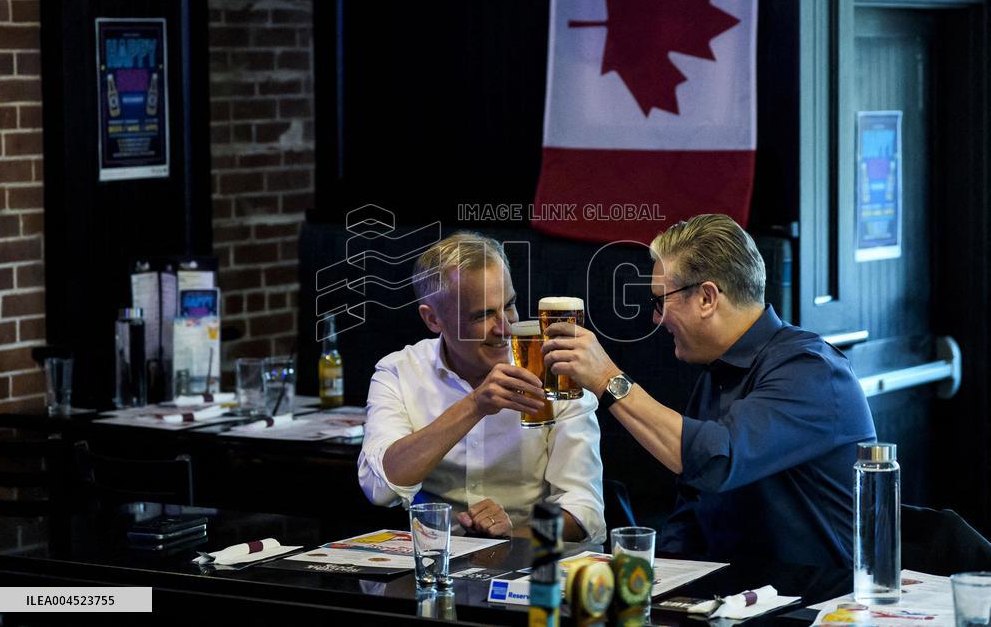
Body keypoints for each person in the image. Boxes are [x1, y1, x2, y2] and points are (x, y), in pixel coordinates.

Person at [542, 214, 876, 566]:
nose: (657, 318)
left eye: (661, 301)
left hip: (818, 608)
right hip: (735, 600)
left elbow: (719, 461)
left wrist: (608, 379)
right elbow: (692, 512)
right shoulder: (716, 375)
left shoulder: (812, 370)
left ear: (707, 298)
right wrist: (650, 578)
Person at [358, 231, 605, 542]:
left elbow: (584, 513)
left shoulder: (557, 372)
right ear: (433, 319)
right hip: (437, 564)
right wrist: (474, 405)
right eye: (484, 314)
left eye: (509, 305)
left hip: (533, 562)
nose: (505, 327)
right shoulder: (398, 371)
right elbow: (380, 488)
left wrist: (512, 535)